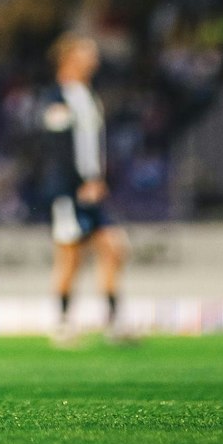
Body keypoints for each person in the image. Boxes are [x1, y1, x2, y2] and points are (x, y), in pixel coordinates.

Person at [38, 32, 131, 347]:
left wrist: (98, 179)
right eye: (87, 53)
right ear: (68, 58)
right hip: (68, 192)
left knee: (113, 247)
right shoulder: (55, 98)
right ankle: (63, 323)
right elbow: (57, 149)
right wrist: (81, 183)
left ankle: (114, 322)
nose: (94, 59)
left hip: (91, 190)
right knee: (70, 257)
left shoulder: (89, 97)